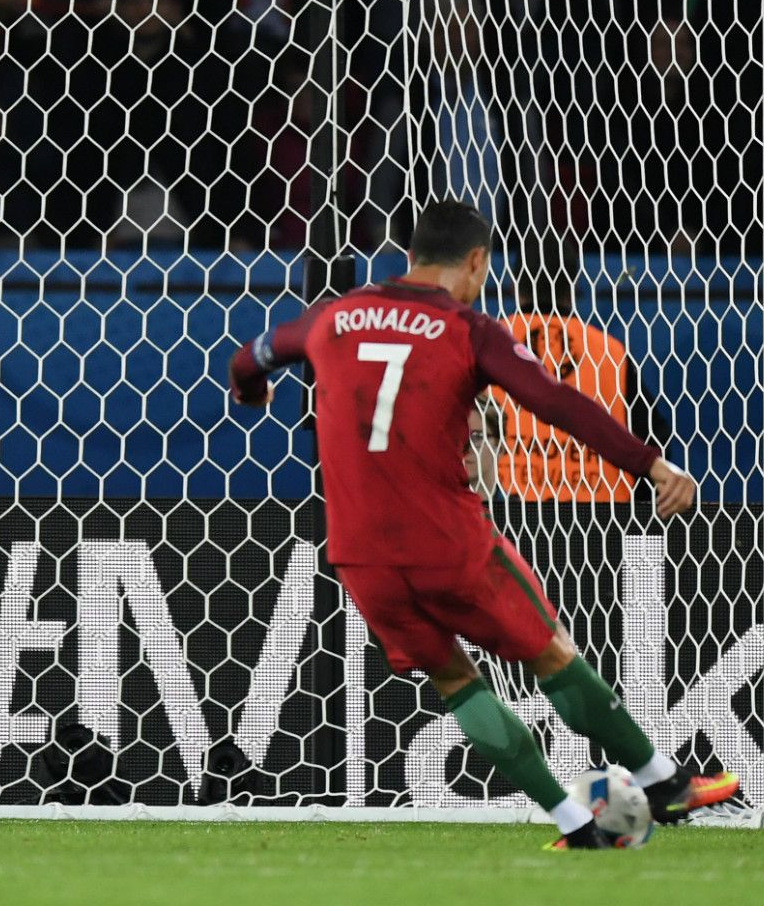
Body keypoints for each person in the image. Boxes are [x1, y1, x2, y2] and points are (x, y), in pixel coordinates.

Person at [227, 200, 737, 850]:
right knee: (550, 652)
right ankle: (663, 783)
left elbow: (251, 356)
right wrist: (648, 463)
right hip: (449, 543)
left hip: (360, 556)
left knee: (455, 682)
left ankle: (572, 822)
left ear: (410, 256)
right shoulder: (466, 327)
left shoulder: (332, 316)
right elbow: (552, 400)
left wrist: (250, 392)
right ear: (475, 260)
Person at [495, 240, 669, 503]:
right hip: (600, 521)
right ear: (574, 289)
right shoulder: (609, 351)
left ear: (514, 287)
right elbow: (655, 440)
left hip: (509, 516)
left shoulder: (493, 343)